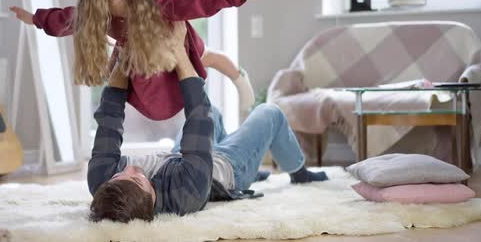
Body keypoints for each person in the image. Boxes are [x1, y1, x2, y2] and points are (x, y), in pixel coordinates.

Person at [88, 23, 328, 223]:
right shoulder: (186, 192)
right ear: (151, 198)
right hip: (227, 169)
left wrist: (121, 61)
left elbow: (109, 118)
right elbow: (198, 117)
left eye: (119, 176)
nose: (128, 169)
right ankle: (299, 172)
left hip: (181, 158)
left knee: (213, 112)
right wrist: (180, 54)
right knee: (269, 113)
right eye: (136, 178)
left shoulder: (102, 181)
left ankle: (252, 165)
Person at [9, 0, 266, 120]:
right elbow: (64, 19)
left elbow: (194, 2)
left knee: (210, 57)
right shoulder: (95, 10)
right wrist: (34, 18)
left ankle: (239, 76)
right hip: (142, 54)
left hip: (177, 44)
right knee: (122, 74)